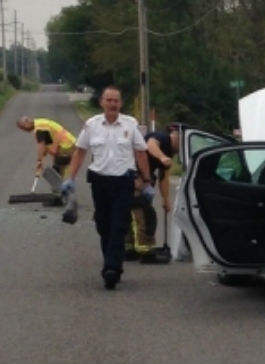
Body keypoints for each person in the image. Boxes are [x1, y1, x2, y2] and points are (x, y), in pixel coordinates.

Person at [61, 85, 154, 290]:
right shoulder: (92, 125)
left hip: (123, 182)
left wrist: (146, 182)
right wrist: (71, 178)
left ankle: (112, 268)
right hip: (100, 181)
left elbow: (141, 152)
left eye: (116, 100)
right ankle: (111, 262)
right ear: (102, 102)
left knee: (119, 225)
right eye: (109, 100)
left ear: (120, 103)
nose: (113, 104)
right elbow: (79, 151)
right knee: (104, 225)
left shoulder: (130, 124)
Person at [126, 125, 179, 263]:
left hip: (141, 180)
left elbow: (164, 177)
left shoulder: (169, 151)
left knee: (132, 214)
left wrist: (166, 200)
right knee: (144, 214)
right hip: (133, 176)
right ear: (175, 136)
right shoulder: (163, 138)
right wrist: (162, 158)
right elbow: (150, 145)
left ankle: (129, 249)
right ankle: (146, 251)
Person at [16, 116, 76, 180]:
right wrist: (43, 155)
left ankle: (62, 183)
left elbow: (41, 145)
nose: (24, 130)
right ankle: (61, 182)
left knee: (58, 166)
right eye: (22, 129)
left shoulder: (39, 129)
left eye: (23, 127)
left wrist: (39, 161)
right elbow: (45, 145)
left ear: (27, 122)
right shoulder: (39, 124)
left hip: (66, 144)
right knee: (58, 167)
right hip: (68, 142)